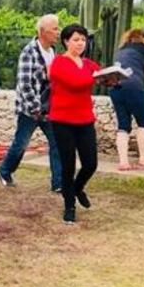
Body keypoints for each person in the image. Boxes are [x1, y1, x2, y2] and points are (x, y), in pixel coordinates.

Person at [0, 14, 62, 191]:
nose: (58, 32)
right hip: (30, 109)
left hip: (49, 108)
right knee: (21, 144)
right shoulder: (29, 52)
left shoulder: (52, 52)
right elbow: (24, 84)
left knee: (57, 143)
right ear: (42, 32)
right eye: (54, 29)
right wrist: (36, 108)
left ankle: (58, 183)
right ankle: (4, 171)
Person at [48, 24, 102, 225]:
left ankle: (77, 188)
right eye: (76, 39)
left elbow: (101, 75)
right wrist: (96, 77)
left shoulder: (88, 64)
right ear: (66, 42)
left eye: (83, 39)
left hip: (85, 120)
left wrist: (112, 78)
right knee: (68, 164)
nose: (80, 43)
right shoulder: (59, 63)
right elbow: (77, 83)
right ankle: (69, 205)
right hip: (62, 121)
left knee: (90, 163)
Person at [110, 29, 144, 171]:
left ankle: (123, 161)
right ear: (143, 38)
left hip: (116, 86)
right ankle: (143, 158)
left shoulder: (120, 50)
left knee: (123, 125)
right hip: (134, 86)